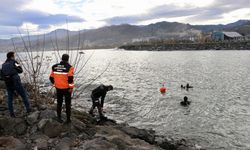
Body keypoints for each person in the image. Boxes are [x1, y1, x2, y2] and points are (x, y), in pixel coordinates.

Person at [1, 52, 31, 117]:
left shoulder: (3, 65)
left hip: (8, 83)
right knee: (23, 95)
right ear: (12, 56)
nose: (14, 57)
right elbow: (20, 70)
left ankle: (11, 113)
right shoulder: (14, 62)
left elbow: (2, 75)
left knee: (10, 98)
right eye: (14, 56)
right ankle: (28, 109)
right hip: (16, 81)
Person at [49, 54, 74, 123]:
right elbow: (70, 79)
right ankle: (68, 119)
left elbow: (51, 78)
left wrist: (55, 84)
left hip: (58, 88)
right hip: (66, 89)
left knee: (59, 103)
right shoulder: (70, 67)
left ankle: (59, 118)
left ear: (61, 58)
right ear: (68, 59)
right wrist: (71, 87)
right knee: (67, 104)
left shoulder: (54, 67)